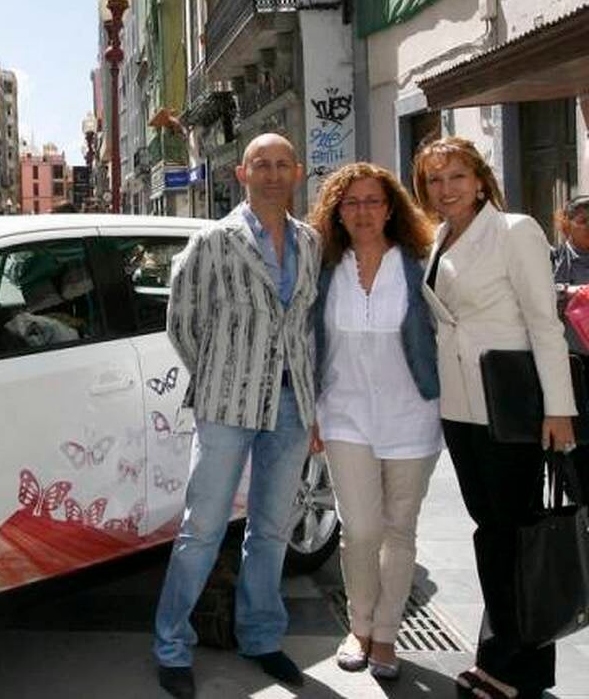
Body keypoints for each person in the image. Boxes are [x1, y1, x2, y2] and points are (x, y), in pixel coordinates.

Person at [155, 133, 321, 698]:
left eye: (281, 165)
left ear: (296, 172)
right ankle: (171, 645)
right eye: (261, 165)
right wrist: (222, 375)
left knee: (271, 529)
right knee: (201, 529)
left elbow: (305, 324)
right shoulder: (212, 240)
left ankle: (261, 636)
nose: (272, 175)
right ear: (242, 174)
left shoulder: (310, 241)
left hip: (293, 403)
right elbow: (182, 320)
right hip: (228, 404)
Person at [414, 136, 576, 699]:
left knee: (516, 537)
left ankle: (519, 670)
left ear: (481, 180)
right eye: (435, 180)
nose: (446, 189)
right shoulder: (440, 236)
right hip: (461, 409)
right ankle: (497, 656)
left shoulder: (515, 231)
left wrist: (559, 408)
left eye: (457, 176)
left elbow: (544, 323)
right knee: (492, 534)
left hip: (510, 406)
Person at [307, 163, 441, 679]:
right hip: (343, 415)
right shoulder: (324, 268)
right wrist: (311, 411)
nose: (362, 211)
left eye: (373, 201)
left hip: (412, 416)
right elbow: (307, 339)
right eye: (352, 202)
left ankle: (385, 634)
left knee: (399, 530)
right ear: (337, 212)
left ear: (391, 209)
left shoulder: (419, 264)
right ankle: (357, 624)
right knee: (360, 530)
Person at [552, 195, 589, 354]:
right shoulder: (553, 259)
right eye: (583, 221)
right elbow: (539, 294)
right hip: (568, 354)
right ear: (566, 225)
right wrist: (569, 291)